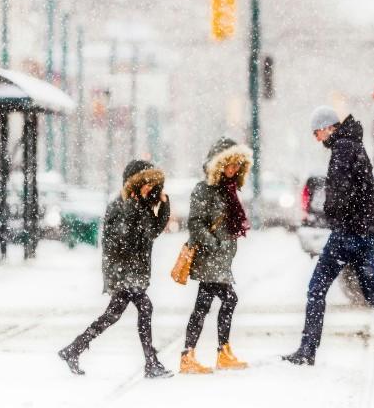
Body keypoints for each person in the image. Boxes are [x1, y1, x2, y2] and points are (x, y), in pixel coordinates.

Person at [283, 106, 374, 367]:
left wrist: (331, 212)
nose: (316, 138)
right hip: (362, 234)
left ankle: (307, 351)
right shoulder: (355, 146)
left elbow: (340, 193)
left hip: (345, 234)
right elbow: (362, 192)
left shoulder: (342, 150)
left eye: (317, 132)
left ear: (329, 127)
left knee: (316, 290)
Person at [58, 159, 173, 379]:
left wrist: (164, 204)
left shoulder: (140, 204)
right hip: (122, 271)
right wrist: (135, 214)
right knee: (144, 308)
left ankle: (73, 349)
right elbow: (120, 240)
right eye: (146, 183)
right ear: (134, 182)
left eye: (152, 184)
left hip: (133, 271)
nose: (149, 187)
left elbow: (152, 232)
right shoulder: (121, 205)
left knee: (112, 315)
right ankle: (151, 363)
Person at [179, 138, 253, 375]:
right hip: (209, 258)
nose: (233, 170)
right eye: (229, 165)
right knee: (217, 303)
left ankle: (214, 352)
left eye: (237, 166)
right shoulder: (204, 189)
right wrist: (216, 244)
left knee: (211, 304)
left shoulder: (227, 189)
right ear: (218, 165)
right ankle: (195, 354)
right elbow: (195, 224)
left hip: (220, 260)